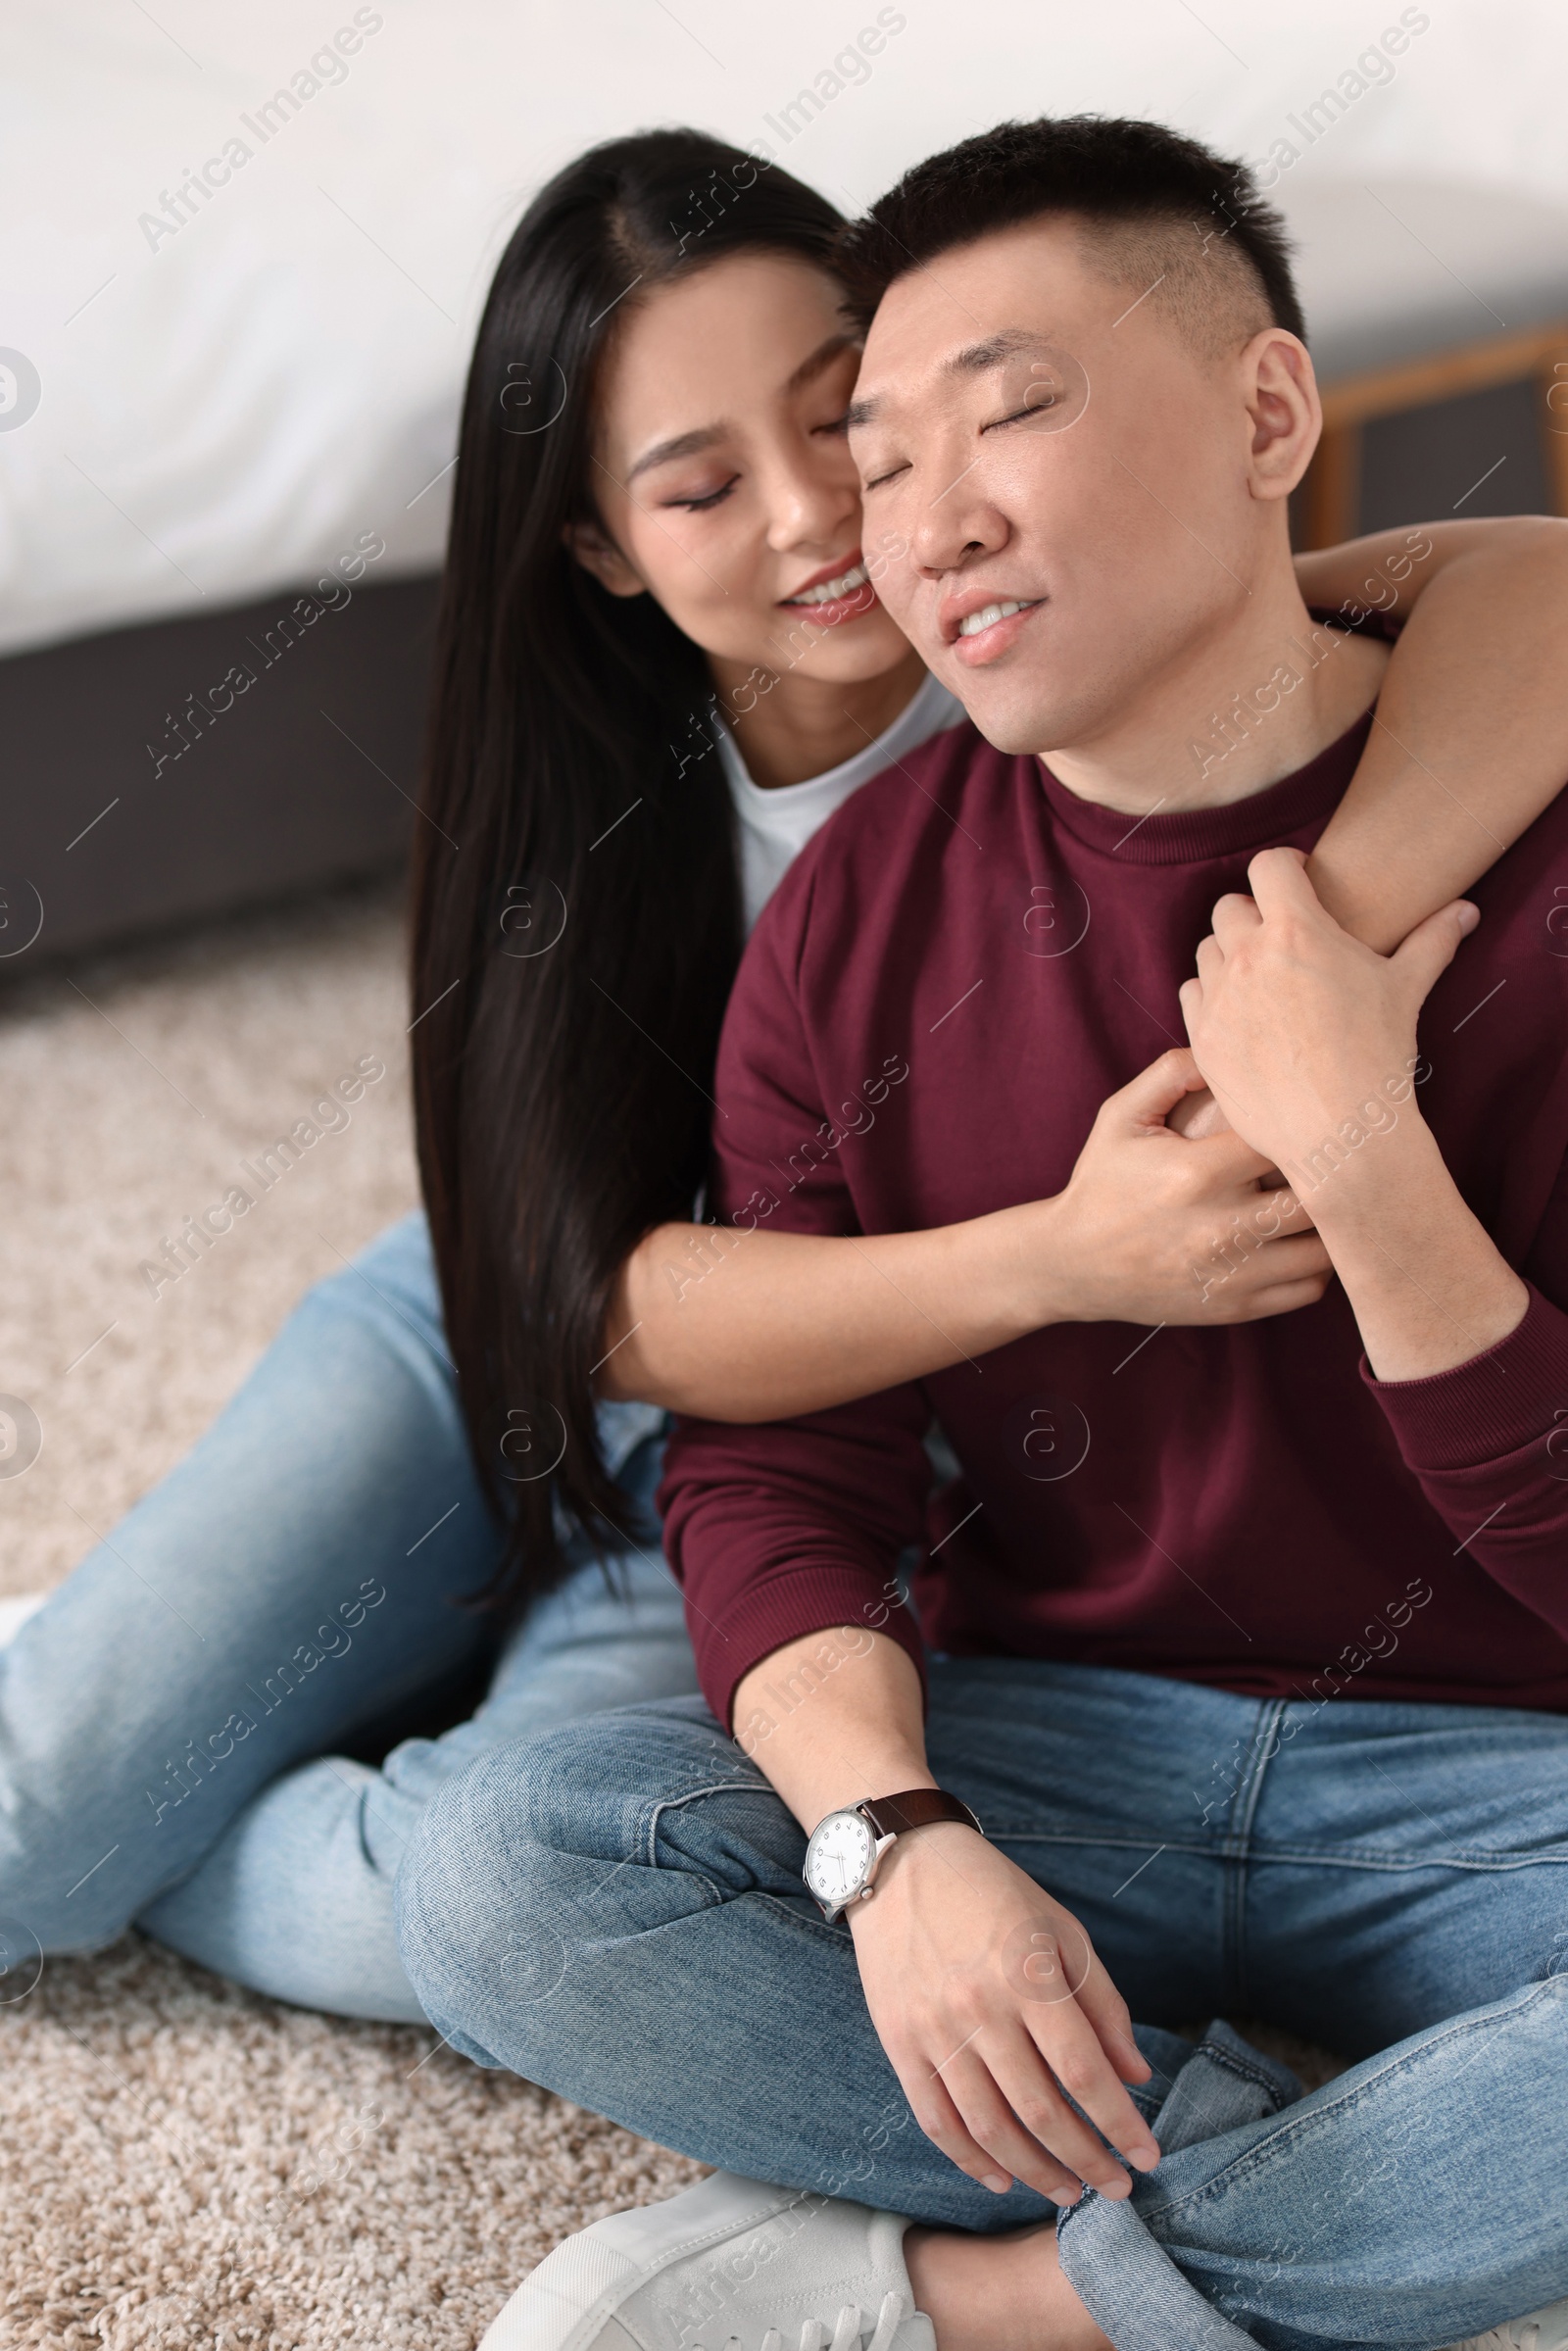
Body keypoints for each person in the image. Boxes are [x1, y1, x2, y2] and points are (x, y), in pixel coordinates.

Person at [1, 124, 1562, 2043]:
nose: (837, 521)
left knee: (519, 1900)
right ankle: (139, 1721)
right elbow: (595, 1312)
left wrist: (1311, 955)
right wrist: (1063, 1253)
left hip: (873, 1414)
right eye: (692, 487)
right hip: (564, 1310)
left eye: (845, 423)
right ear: (603, 550)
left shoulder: (1076, 621)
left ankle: (264, 1744)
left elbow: (1518, 602)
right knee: (67, 1824)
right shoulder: (603, 780)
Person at [392, 120, 1568, 2351]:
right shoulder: (853, 914)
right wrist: (893, 1840)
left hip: (1502, 1776)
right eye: (877, 448)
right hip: (1058, 1740)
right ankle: (1363, 2201)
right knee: (502, 1864)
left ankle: (985, 2303)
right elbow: (783, 1452)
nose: (911, 524)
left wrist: (1375, 1185)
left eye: (1010, 409)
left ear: (1265, 415)